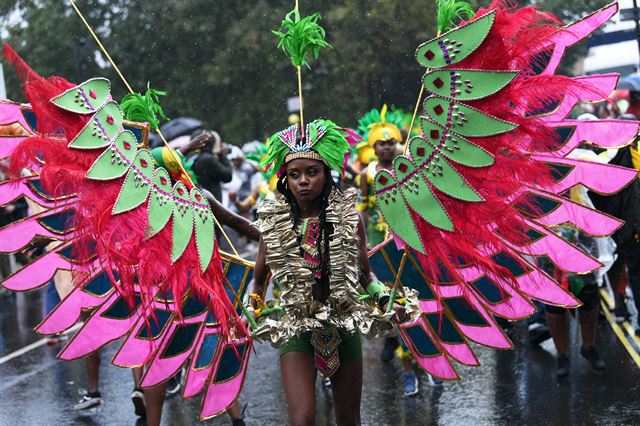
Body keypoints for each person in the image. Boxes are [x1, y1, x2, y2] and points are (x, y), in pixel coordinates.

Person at [247, 119, 418, 425]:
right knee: (302, 418)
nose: (303, 181)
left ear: (326, 175)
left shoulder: (350, 219)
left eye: (311, 172)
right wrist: (252, 307)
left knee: (349, 419)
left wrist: (384, 299)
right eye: (295, 174)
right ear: (285, 179)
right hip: (296, 327)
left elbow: (366, 275)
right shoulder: (273, 224)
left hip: (343, 324)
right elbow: (259, 280)